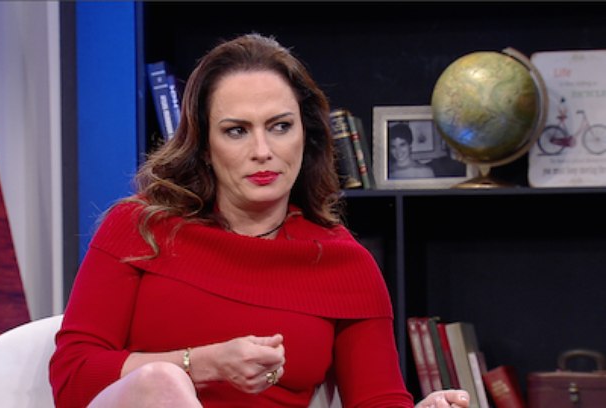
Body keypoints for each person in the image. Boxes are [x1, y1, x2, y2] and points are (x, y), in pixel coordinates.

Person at [49, 33, 470, 408]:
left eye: (280, 126)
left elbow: (378, 400)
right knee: (159, 384)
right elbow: (71, 378)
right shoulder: (138, 228)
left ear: (306, 134)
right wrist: (205, 364)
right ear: (204, 145)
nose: (262, 151)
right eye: (237, 131)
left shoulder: (346, 266)